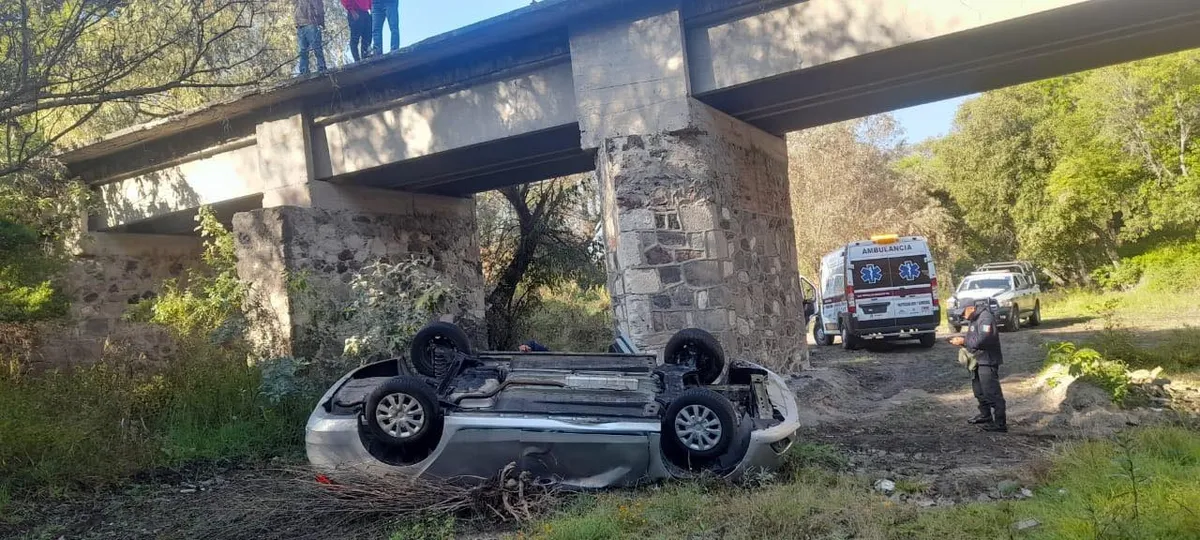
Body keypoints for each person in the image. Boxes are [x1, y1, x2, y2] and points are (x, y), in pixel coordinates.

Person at [949, 298, 1007, 432]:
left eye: (963, 312)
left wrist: (964, 340)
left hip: (987, 360)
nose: (962, 316)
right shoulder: (974, 318)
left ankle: (1000, 423)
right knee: (979, 391)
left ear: (971, 308)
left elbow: (984, 339)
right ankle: (985, 415)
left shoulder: (985, 318)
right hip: (977, 360)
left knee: (992, 392)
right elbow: (974, 337)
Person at [295, 0, 327, 74]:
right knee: (303, 51)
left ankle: (322, 67)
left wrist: (320, 22)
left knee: (316, 47)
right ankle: (303, 71)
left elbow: (319, 7)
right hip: (300, 25)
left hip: (311, 23)